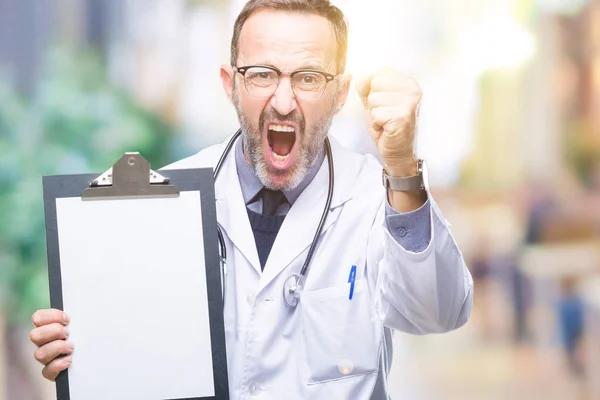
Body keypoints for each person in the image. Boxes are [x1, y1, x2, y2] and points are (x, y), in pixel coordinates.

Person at [29, 1, 473, 398]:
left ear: (340, 94)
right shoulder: (168, 196)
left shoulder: (377, 198)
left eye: (308, 77)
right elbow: (136, 351)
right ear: (230, 84)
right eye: (261, 74)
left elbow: (439, 313)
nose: (283, 101)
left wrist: (401, 166)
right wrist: (83, 353)